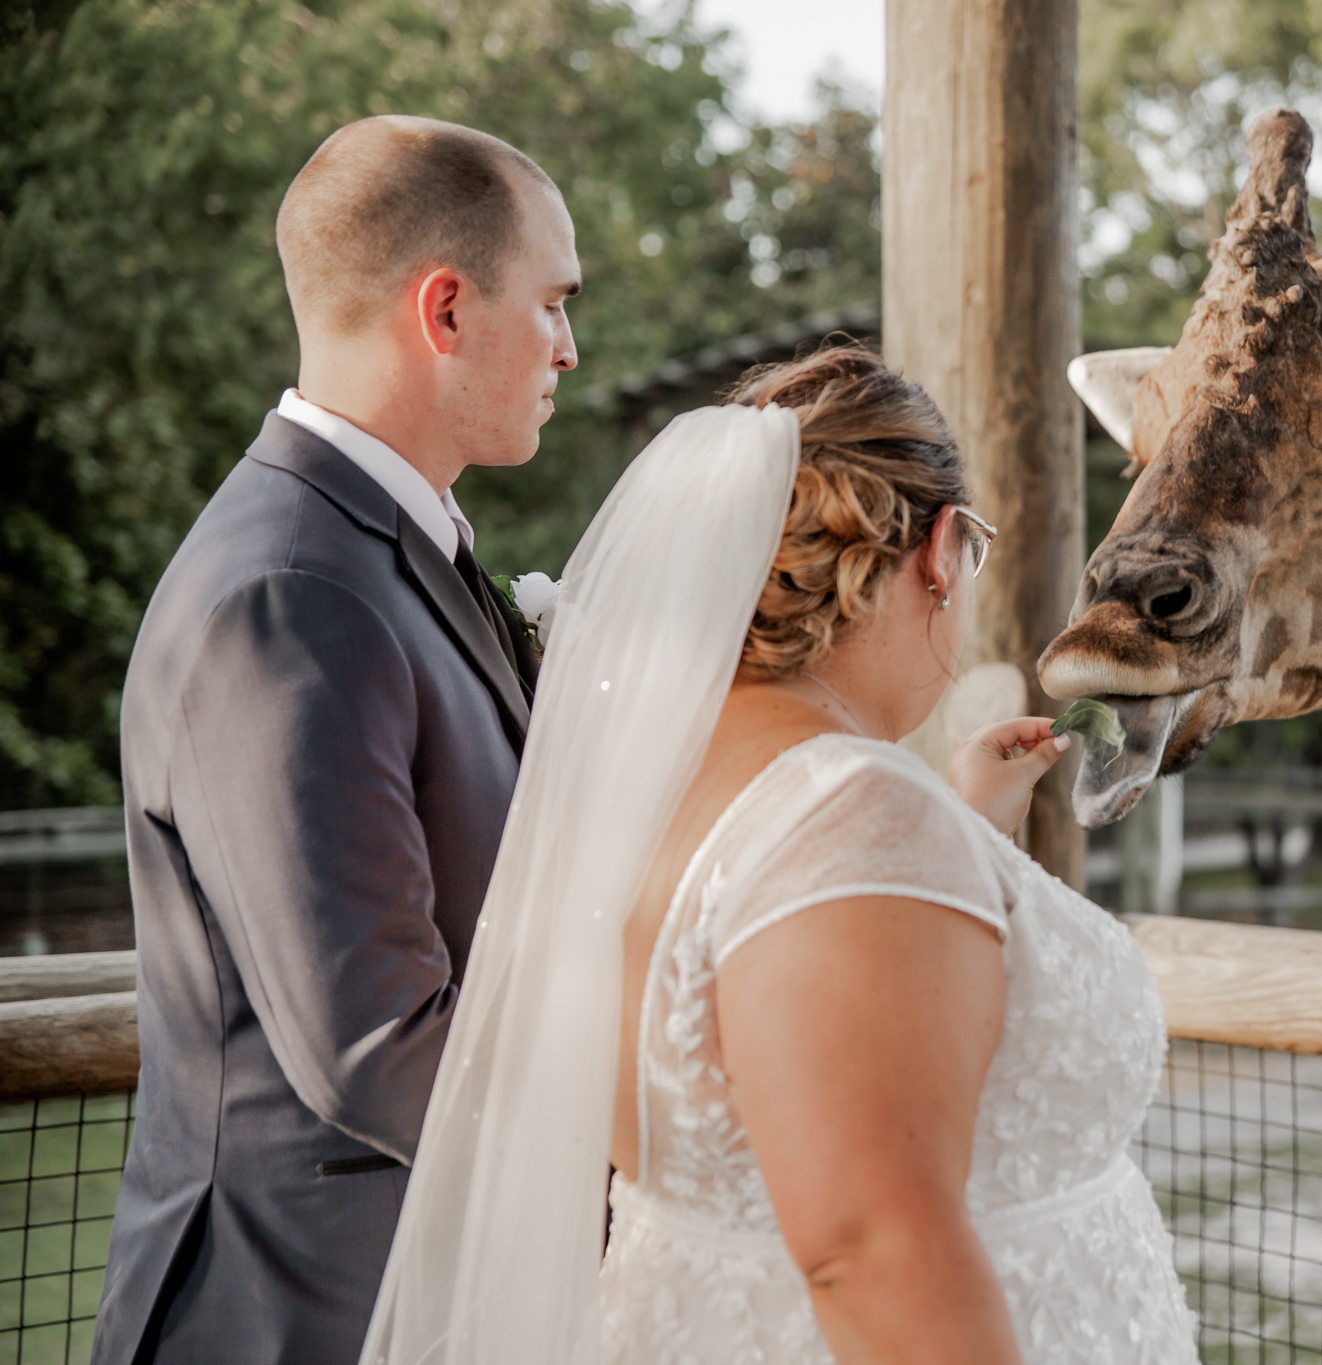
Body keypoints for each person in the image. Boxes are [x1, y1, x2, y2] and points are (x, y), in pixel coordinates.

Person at [361, 348, 1198, 1364]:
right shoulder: (853, 817)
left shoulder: (659, 798)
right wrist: (913, 833)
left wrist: (964, 833)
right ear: (939, 551)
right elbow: (874, 1256)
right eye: (971, 549)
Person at [94, 116, 579, 1365]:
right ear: (446, 310)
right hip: (299, 1318)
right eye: (553, 303)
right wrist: (656, 1152)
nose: (569, 349)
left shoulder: (389, 552)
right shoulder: (288, 594)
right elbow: (376, 1048)